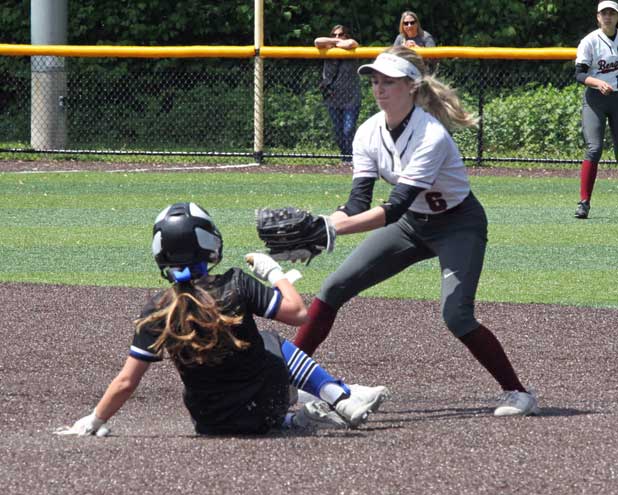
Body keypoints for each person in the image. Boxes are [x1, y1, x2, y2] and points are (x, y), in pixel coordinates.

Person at [292, 46, 539, 417]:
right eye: (375, 81)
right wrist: (322, 225)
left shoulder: (431, 135)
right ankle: (288, 379)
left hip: (458, 224)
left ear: (411, 86)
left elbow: (394, 207)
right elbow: (358, 202)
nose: (379, 89)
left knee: (456, 316)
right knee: (332, 289)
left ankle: (519, 393)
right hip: (412, 228)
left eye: (388, 82)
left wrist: (331, 230)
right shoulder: (367, 132)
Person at [55, 202, 388, 436]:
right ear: (211, 243)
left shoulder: (157, 309)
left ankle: (301, 418)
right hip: (268, 404)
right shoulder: (235, 283)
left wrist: (95, 419)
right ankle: (337, 396)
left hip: (211, 422)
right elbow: (299, 314)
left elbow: (126, 382)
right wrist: (274, 273)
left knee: (222, 389)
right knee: (272, 343)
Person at [573, 0, 618, 219]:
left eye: (612, 13)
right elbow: (579, 74)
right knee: (594, 148)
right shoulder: (589, 41)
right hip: (595, 100)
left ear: (617, 17)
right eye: (604, 13)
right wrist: (598, 83)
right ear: (598, 17)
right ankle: (584, 203)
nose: (608, 16)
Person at [315, 25, 362, 165]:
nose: (337, 37)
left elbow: (351, 43)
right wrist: (334, 42)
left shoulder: (352, 46)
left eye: (340, 34)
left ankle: (352, 157)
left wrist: (335, 44)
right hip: (332, 96)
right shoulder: (327, 48)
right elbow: (317, 41)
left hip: (351, 97)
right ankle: (345, 158)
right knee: (338, 131)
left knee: (348, 129)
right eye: (334, 35)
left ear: (346, 35)